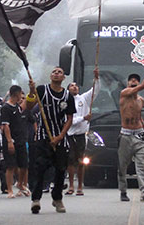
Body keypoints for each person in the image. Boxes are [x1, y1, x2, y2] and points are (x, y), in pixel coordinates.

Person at [25, 67, 76, 214]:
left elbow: (69, 118)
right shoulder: (42, 90)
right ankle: (36, 199)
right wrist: (31, 91)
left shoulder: (67, 96)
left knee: (60, 170)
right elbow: (29, 106)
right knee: (40, 168)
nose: (56, 73)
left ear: (63, 78)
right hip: (43, 136)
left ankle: (57, 198)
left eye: (60, 72)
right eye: (54, 72)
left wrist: (60, 136)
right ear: (50, 76)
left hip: (60, 137)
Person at [117, 63, 144, 202]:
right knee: (122, 166)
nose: (134, 81)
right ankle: (123, 191)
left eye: (136, 80)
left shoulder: (141, 100)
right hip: (126, 134)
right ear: (128, 83)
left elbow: (139, 118)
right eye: (131, 80)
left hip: (140, 133)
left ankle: (143, 191)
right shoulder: (124, 93)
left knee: (142, 164)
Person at [65, 66, 99, 196]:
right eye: (72, 86)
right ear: (68, 89)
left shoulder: (83, 99)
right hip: (69, 135)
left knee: (81, 161)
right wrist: (83, 118)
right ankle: (71, 186)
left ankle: (80, 186)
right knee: (70, 161)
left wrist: (96, 78)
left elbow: (95, 91)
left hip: (80, 135)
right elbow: (68, 120)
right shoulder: (65, 101)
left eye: (76, 86)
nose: (74, 87)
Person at [1, 85, 29, 199]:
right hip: (11, 140)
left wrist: (32, 91)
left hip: (21, 139)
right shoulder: (6, 108)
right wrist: (9, 142)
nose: (21, 97)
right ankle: (10, 190)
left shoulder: (17, 107)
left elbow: (26, 104)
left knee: (24, 165)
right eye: (20, 94)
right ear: (16, 94)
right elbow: (6, 126)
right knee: (11, 166)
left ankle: (20, 184)